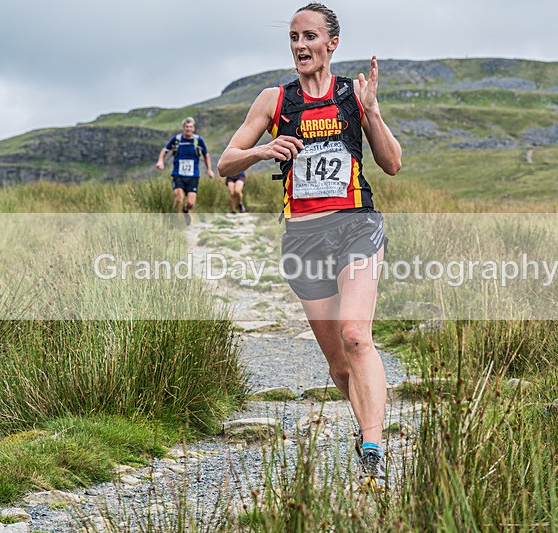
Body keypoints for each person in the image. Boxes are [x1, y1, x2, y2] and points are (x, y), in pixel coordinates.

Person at [218, 3, 401, 492]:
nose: (301, 46)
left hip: (356, 225)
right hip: (303, 238)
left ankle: (373, 449)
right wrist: (262, 150)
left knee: (356, 335)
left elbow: (392, 164)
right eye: (294, 37)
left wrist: (373, 112)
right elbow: (225, 163)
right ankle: (367, 430)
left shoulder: (352, 95)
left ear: (331, 43)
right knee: (339, 364)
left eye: (310, 36)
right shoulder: (274, 100)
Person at [156, 117, 215, 225]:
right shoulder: (177, 139)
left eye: (190, 127)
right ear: (183, 128)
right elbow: (165, 150)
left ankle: (186, 210)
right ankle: (173, 220)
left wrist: (209, 170)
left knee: (191, 203)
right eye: (186, 127)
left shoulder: (198, 140)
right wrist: (160, 161)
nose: (188, 129)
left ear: (194, 128)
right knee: (179, 198)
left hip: (193, 175)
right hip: (178, 174)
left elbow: (206, 155)